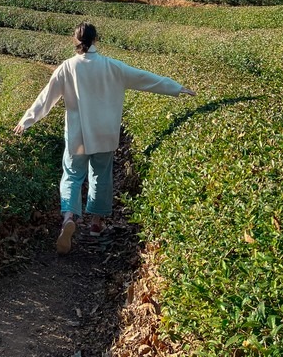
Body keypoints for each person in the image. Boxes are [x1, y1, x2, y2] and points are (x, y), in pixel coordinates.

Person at [13, 22, 196, 254]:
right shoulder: (112, 67)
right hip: (105, 133)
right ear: (96, 39)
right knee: (100, 174)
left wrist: (27, 120)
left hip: (78, 135)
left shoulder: (67, 67)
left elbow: (46, 98)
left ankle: (69, 217)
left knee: (72, 175)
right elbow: (144, 78)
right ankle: (96, 224)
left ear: (74, 40)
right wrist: (176, 88)